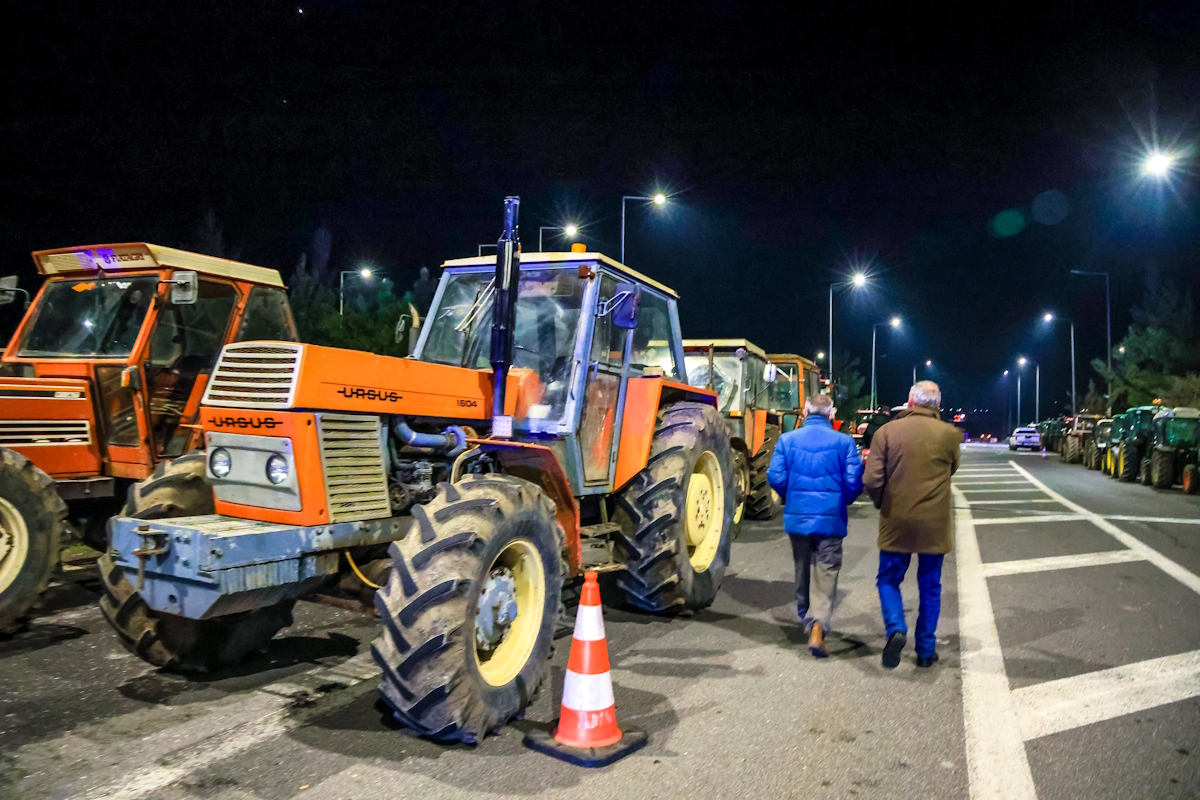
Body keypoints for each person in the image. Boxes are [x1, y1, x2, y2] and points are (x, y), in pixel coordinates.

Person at [863, 381, 961, 669]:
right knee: (930, 586)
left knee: (889, 579)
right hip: (935, 523)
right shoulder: (950, 435)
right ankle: (926, 651)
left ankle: (896, 628)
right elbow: (953, 468)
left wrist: (883, 502)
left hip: (897, 519)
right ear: (937, 405)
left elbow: (871, 479)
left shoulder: (887, 432)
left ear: (910, 401)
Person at [767, 393, 863, 658]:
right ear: (831, 415)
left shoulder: (787, 440)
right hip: (831, 518)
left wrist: (793, 495)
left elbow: (774, 475)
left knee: (802, 569)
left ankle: (805, 617)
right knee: (827, 571)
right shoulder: (844, 442)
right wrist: (844, 499)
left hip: (798, 516)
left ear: (805, 413)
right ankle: (818, 625)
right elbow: (855, 480)